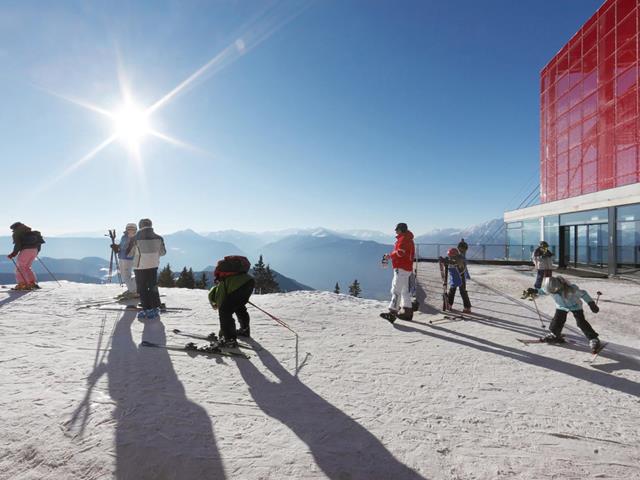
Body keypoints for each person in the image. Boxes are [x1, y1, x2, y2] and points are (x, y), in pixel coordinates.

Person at [527, 276, 602, 352]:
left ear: (560, 286)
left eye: (555, 291)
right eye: (552, 292)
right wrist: (535, 291)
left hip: (575, 306)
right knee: (557, 321)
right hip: (561, 306)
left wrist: (591, 303)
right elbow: (543, 291)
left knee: (581, 322)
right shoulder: (550, 289)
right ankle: (555, 334)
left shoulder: (572, 289)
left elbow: (584, 294)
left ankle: (593, 339)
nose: (554, 293)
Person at [208, 256, 255, 349]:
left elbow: (223, 311)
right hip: (249, 281)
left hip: (241, 285)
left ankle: (229, 339)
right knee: (239, 307)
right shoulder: (228, 278)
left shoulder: (220, 288)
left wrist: (222, 334)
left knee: (225, 311)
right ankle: (244, 330)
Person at [127, 218, 166, 319]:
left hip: (140, 266)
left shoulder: (134, 238)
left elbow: (129, 253)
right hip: (153, 265)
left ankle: (147, 309)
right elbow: (163, 253)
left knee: (142, 287)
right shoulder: (159, 238)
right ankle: (155, 307)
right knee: (153, 285)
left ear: (140, 226)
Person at [380, 222, 415, 323]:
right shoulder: (408, 238)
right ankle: (407, 312)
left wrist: (389, 256)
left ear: (402, 229)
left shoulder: (403, 239)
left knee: (396, 290)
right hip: (407, 268)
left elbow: (400, 252)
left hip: (401, 268)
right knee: (404, 291)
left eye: (397, 229)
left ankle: (392, 313)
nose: (395, 231)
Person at [7, 222, 45, 290]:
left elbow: (17, 245)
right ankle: (32, 283)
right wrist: (36, 252)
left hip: (26, 251)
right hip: (35, 250)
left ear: (15, 228)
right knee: (27, 267)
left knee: (20, 267)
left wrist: (13, 254)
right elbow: (39, 243)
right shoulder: (31, 232)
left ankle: (22, 284)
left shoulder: (17, 233)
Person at [111, 223, 138, 299]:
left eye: (132, 229)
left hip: (129, 259)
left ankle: (133, 291)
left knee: (126, 276)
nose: (130, 230)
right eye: (129, 229)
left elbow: (129, 247)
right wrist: (116, 247)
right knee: (124, 276)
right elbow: (122, 246)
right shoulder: (124, 237)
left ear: (135, 230)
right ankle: (132, 289)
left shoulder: (135, 238)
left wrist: (118, 247)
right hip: (122, 257)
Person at [446, 247, 472, 313]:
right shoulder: (451, 259)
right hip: (454, 275)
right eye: (449, 255)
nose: (449, 256)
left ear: (454, 255)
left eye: (450, 255)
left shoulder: (460, 259)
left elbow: (456, 262)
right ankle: (449, 304)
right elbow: (450, 264)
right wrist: (444, 261)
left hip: (461, 276)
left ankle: (467, 307)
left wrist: (448, 261)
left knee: (462, 291)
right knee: (452, 290)